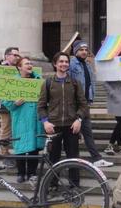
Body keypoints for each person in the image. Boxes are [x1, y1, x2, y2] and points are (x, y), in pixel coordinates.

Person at [37, 52, 89, 181]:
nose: (64, 64)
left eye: (66, 62)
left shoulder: (75, 83)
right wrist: (45, 122)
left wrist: (79, 119)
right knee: (53, 158)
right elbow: (41, 106)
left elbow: (84, 105)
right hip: (53, 126)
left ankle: (74, 185)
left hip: (72, 126)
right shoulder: (48, 83)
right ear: (55, 64)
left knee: (73, 157)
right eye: (61, 61)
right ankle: (53, 184)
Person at [1, 57, 45, 184]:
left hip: (35, 119)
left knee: (34, 147)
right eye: (27, 63)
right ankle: (21, 172)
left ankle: (32, 172)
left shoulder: (39, 81)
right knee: (20, 147)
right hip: (20, 119)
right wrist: (14, 103)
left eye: (31, 63)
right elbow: (5, 100)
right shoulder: (13, 82)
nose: (30, 65)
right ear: (19, 67)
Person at [69, 40, 113, 168]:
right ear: (76, 51)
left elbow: (90, 83)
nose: (84, 52)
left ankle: (96, 158)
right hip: (75, 104)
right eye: (81, 50)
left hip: (85, 103)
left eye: (86, 50)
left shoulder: (87, 64)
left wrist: (90, 98)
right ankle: (74, 159)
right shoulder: (72, 64)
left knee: (87, 132)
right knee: (76, 132)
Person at [0, 47, 20, 157]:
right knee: (6, 129)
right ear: (7, 56)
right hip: (5, 105)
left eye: (17, 55)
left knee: (16, 128)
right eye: (15, 55)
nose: (17, 57)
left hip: (18, 104)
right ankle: (4, 151)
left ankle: (18, 150)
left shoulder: (18, 68)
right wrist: (0, 100)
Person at [103, 45, 121, 155]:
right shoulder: (111, 63)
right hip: (116, 97)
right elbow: (105, 82)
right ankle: (110, 145)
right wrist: (113, 94)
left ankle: (120, 146)